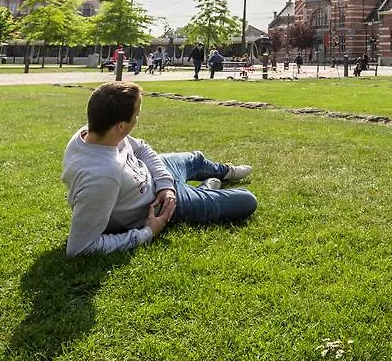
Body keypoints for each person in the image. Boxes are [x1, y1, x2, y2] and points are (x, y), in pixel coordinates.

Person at [62, 81, 256, 257]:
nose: (138, 118)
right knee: (246, 200)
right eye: (137, 114)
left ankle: (225, 172)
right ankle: (204, 190)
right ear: (121, 126)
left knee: (196, 159)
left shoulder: (94, 131)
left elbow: (142, 148)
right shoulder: (102, 177)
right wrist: (148, 232)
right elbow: (80, 247)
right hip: (161, 203)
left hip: (157, 179)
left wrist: (165, 185)